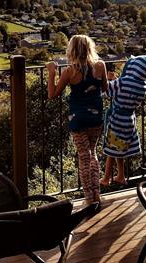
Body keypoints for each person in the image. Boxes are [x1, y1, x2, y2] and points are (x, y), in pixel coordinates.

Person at [46, 35, 107, 206]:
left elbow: (52, 94)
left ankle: (88, 196)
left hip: (78, 118)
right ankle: (97, 194)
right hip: (95, 116)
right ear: (90, 48)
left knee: (83, 156)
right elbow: (105, 88)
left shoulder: (70, 71)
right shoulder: (100, 65)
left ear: (72, 50)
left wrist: (51, 72)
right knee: (93, 154)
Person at [101, 55, 146, 186]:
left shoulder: (123, 82)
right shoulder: (143, 86)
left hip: (117, 120)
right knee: (119, 147)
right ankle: (121, 176)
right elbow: (127, 90)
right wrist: (117, 81)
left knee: (112, 150)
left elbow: (107, 92)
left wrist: (108, 80)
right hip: (129, 120)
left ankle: (106, 178)